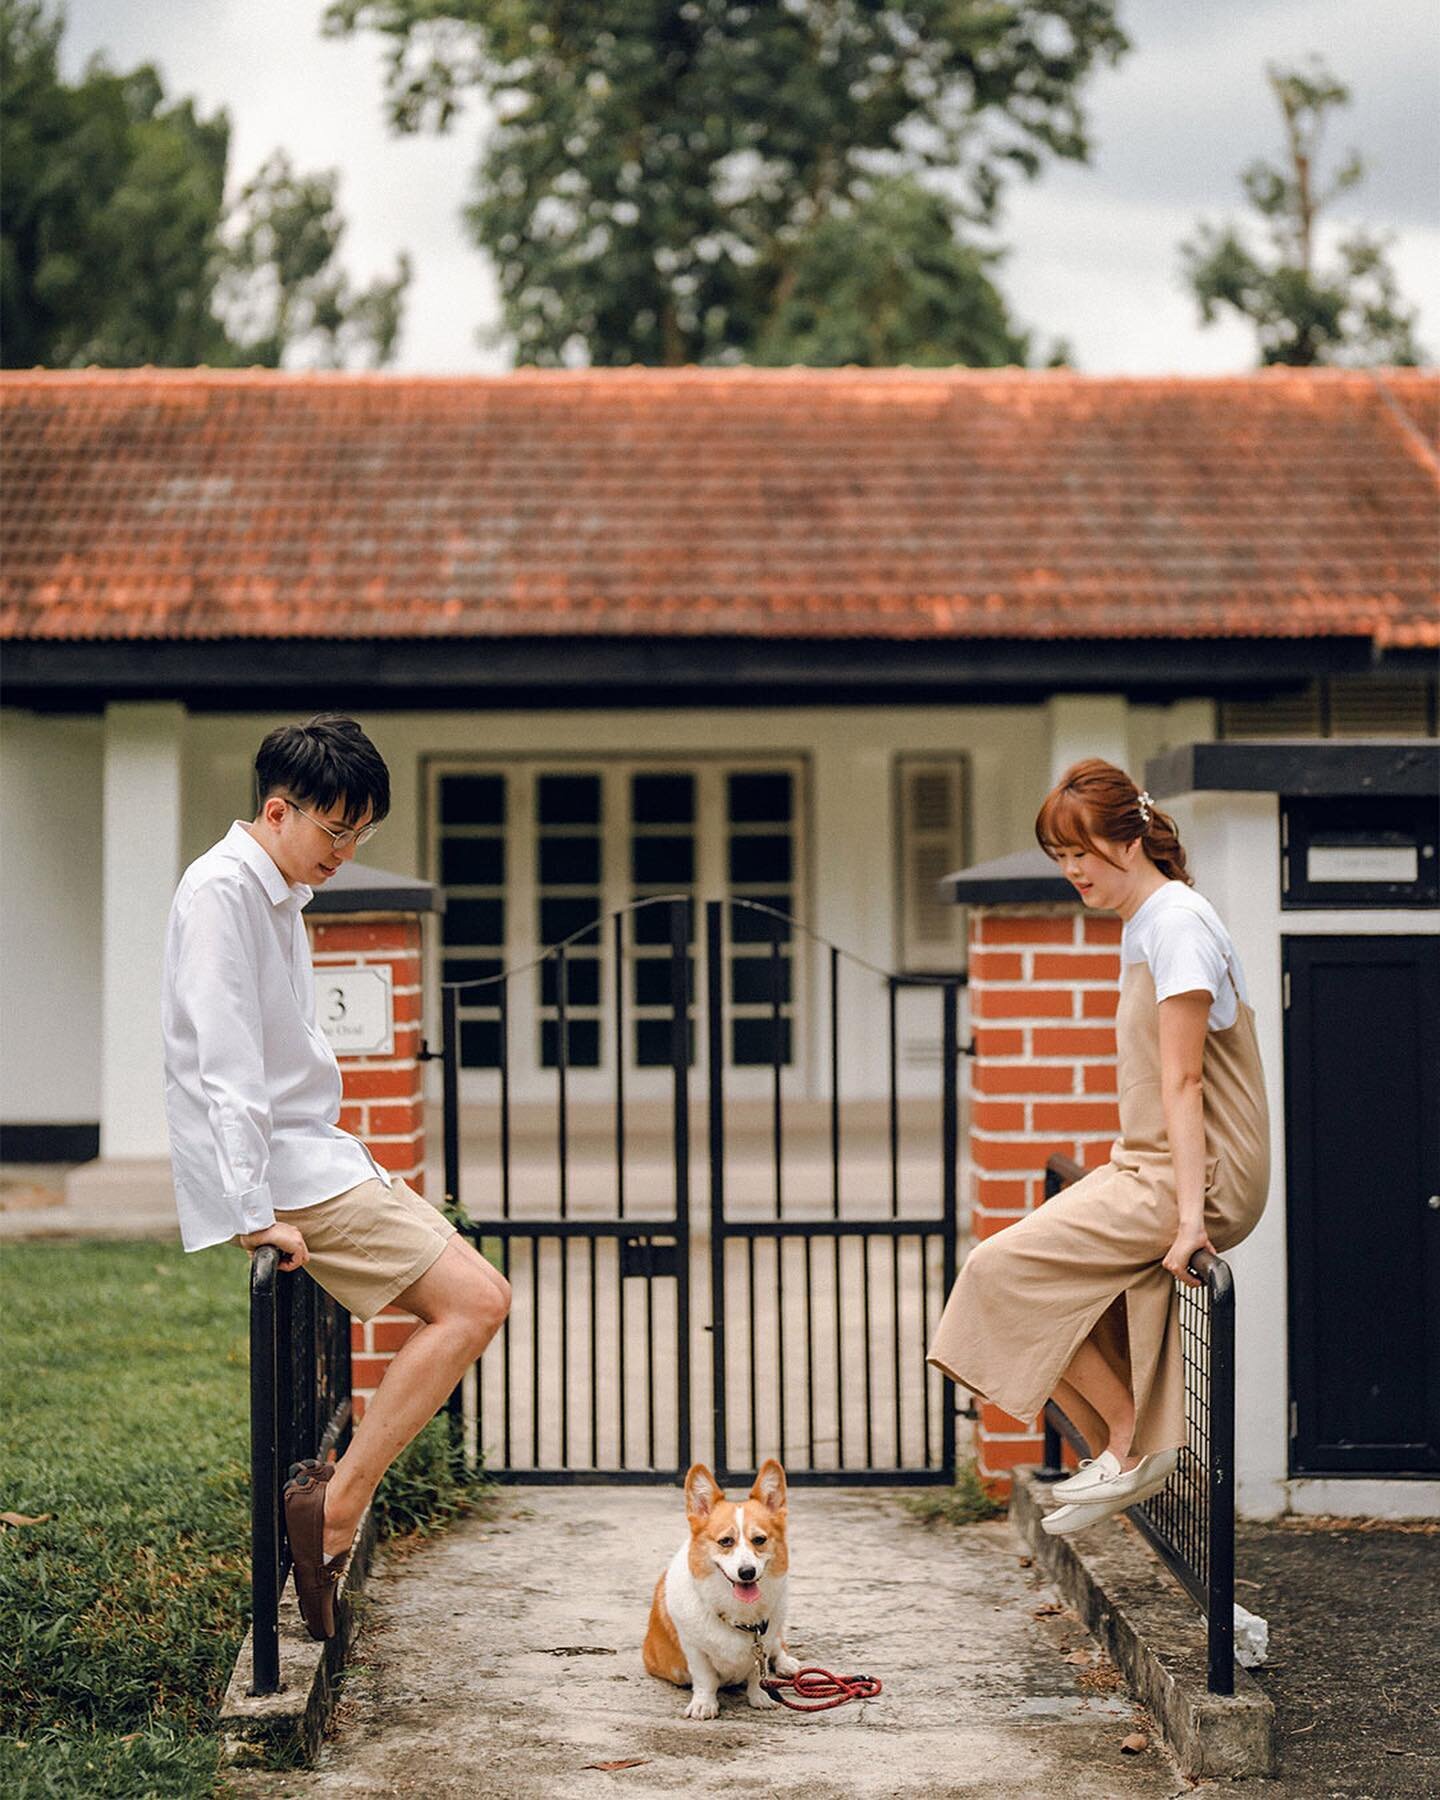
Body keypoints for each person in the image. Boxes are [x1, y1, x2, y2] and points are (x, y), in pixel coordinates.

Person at [162, 714, 510, 1637]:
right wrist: (250, 1212)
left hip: (310, 1153)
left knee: (477, 1295)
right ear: (279, 811)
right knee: (478, 1301)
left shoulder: (274, 890)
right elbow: (224, 1062)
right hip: (284, 1174)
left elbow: (282, 1062)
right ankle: (339, 1505)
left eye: (362, 835)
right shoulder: (222, 893)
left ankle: (336, 1494)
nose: (348, 852)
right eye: (337, 831)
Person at [927, 759, 1269, 1534]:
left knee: (997, 1270)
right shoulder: (1148, 921)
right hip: (1152, 1162)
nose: (1072, 869)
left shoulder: (1177, 922)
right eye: (1060, 855)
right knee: (1023, 1275)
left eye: (1083, 850)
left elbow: (1185, 1083)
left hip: (1200, 1175)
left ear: (1133, 836)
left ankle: (1130, 1450)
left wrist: (1189, 1220)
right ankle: (1124, 1452)